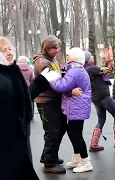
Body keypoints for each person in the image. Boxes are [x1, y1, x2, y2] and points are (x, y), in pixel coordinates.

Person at [0, 37, 61, 180]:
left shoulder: (12, 69)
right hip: (5, 139)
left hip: (19, 137)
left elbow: (23, 98)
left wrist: (42, 81)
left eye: (9, 48)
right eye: (3, 50)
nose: (8, 52)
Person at [50, 48, 93, 173]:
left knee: (76, 134)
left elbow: (61, 86)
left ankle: (85, 161)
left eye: (68, 55)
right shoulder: (77, 69)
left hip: (77, 107)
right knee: (73, 132)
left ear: (73, 57)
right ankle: (77, 158)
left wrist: (51, 76)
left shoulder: (74, 71)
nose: (66, 56)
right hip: (78, 107)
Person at [33, 35, 69, 173]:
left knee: (61, 128)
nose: (58, 50)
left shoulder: (51, 59)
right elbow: (55, 82)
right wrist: (70, 88)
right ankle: (49, 163)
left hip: (54, 99)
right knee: (52, 131)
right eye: (54, 48)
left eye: (58, 47)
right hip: (45, 101)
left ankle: (48, 155)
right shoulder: (42, 62)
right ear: (46, 48)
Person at [84, 49, 115, 151]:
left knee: (101, 119)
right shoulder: (91, 69)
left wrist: (108, 60)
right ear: (87, 59)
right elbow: (108, 70)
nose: (93, 57)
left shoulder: (87, 69)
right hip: (103, 96)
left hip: (96, 98)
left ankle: (94, 144)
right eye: (91, 56)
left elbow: (103, 69)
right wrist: (110, 58)